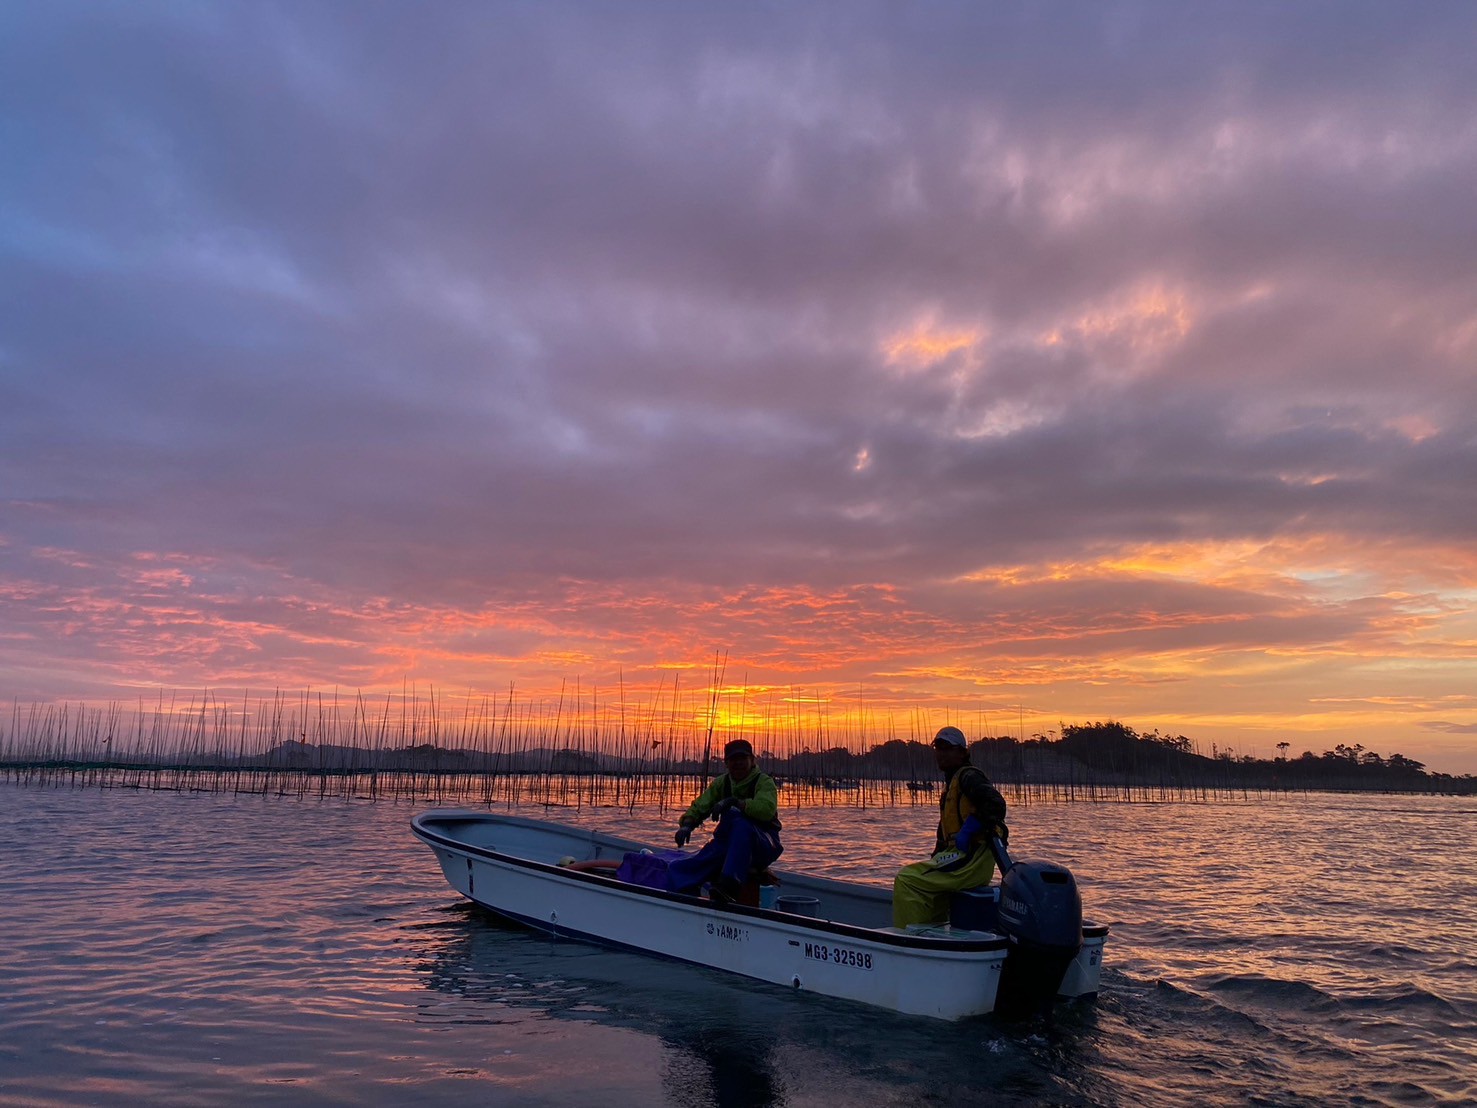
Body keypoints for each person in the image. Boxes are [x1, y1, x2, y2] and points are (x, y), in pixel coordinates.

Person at [892, 725, 1008, 928]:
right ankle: (933, 935)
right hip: (960, 856)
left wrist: (970, 828)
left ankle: (908, 941)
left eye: (947, 748)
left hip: (973, 857)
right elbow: (942, 837)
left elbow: (996, 804)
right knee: (929, 887)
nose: (940, 753)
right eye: (938, 747)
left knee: (906, 880)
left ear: (962, 753)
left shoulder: (969, 776)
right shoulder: (951, 785)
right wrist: (936, 858)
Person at [666, 738, 783, 903]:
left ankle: (730, 887)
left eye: (743, 759)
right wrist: (687, 824)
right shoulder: (722, 783)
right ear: (726, 763)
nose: (738, 764)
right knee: (678, 870)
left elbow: (766, 809)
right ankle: (688, 903)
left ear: (752, 760)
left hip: (763, 844)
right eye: (733, 760)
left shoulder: (764, 782)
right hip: (728, 846)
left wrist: (737, 803)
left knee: (740, 823)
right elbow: (702, 804)